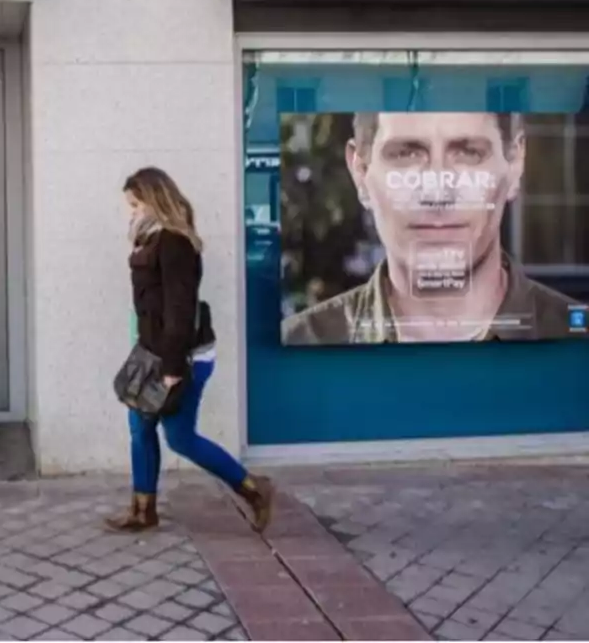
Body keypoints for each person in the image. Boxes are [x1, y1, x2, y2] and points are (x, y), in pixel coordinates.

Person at [282, 112, 580, 345]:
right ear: (360, 172)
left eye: (468, 153)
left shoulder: (577, 341)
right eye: (406, 154)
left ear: (515, 165)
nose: (437, 192)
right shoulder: (297, 345)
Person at [107, 167, 275, 533]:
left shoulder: (173, 243)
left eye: (135, 204)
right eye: (130, 205)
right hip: (154, 351)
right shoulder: (149, 239)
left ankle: (253, 488)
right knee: (139, 426)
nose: (131, 212)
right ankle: (142, 509)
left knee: (180, 437)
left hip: (181, 356)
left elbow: (179, 308)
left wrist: (171, 367)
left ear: (155, 201)